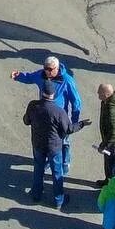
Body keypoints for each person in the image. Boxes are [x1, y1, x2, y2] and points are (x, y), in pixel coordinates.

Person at [23, 80, 83, 208]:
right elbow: (69, 129)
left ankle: (36, 194)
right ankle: (58, 200)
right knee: (57, 173)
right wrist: (81, 124)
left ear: (42, 92)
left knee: (38, 168)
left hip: (38, 144)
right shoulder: (59, 111)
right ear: (53, 94)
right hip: (54, 147)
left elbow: (26, 121)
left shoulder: (33, 105)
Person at [97, 83, 115, 182]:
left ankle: (111, 184)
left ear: (106, 95)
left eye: (100, 93)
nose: (97, 94)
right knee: (113, 162)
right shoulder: (114, 99)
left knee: (111, 163)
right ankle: (110, 181)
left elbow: (114, 133)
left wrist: (105, 145)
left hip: (114, 142)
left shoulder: (111, 110)